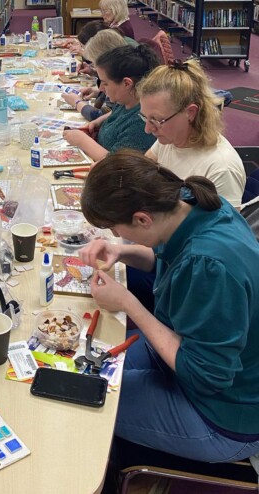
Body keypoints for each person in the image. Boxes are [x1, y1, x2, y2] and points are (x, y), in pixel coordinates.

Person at [79, 150, 259, 463]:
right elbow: (168, 258)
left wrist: (129, 304)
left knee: (87, 401)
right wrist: (122, 252)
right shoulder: (187, 204)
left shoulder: (210, 266)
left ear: (141, 219)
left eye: (116, 230)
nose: (116, 236)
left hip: (222, 415)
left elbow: (208, 376)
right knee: (82, 372)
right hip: (187, 354)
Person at [139, 59, 245, 207]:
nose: (147, 129)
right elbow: (140, 174)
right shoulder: (170, 139)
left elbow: (226, 229)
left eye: (156, 120)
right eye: (145, 117)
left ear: (190, 112)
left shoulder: (221, 168)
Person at [63, 44, 159, 160]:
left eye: (105, 83)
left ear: (127, 84)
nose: (101, 88)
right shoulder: (125, 101)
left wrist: (82, 141)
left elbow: (118, 165)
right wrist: (99, 121)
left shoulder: (141, 123)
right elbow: (115, 114)